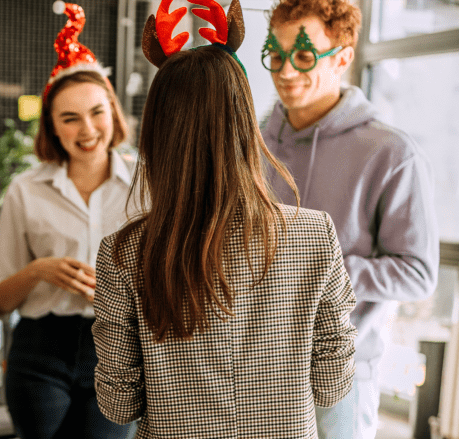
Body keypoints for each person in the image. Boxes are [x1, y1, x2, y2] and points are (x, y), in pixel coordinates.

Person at [91, 0, 358, 436]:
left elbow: (119, 404)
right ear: (244, 123)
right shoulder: (315, 235)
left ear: (156, 134)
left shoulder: (122, 254)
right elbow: (333, 385)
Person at [260, 0, 439, 437]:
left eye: (304, 55)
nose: (285, 71)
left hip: (344, 373)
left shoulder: (392, 153)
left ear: (342, 57)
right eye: (277, 55)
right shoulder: (252, 141)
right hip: (254, 364)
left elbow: (417, 274)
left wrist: (316, 272)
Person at [0, 3, 135, 438]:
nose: (87, 129)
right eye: (70, 118)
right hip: (39, 352)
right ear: (53, 126)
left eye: (97, 112)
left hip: (118, 347)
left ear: (113, 113)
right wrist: (39, 271)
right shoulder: (25, 190)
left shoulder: (147, 187)